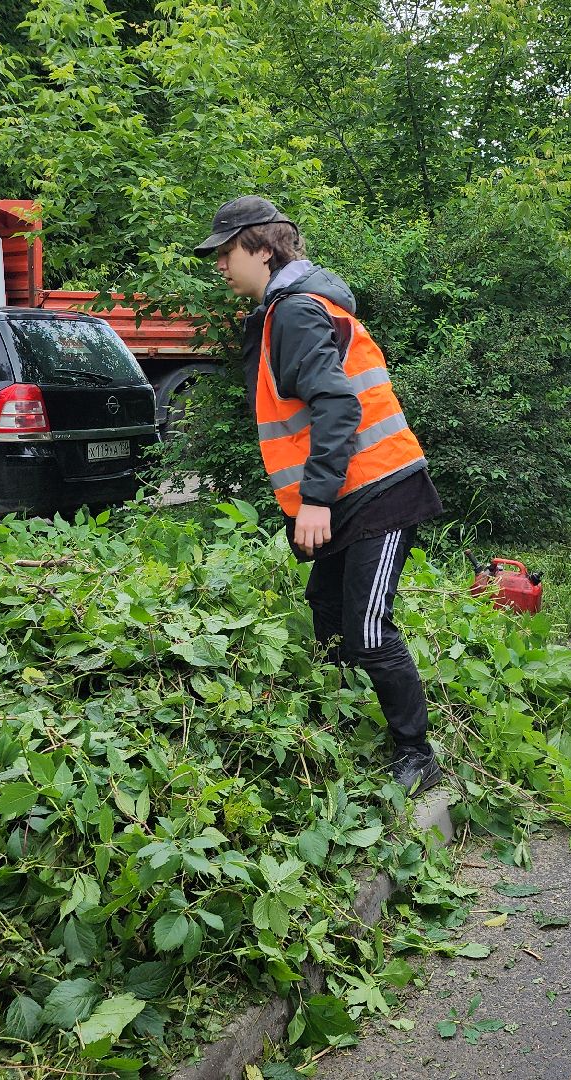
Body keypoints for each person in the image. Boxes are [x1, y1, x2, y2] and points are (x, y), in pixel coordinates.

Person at [196, 195, 445, 794]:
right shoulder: (291, 307)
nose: (220, 265)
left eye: (227, 252)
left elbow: (338, 404)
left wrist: (313, 500)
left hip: (379, 488)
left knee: (365, 627)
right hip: (349, 493)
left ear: (261, 248)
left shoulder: (297, 311)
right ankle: (336, 722)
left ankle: (417, 754)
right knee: (327, 607)